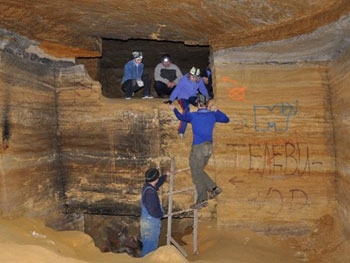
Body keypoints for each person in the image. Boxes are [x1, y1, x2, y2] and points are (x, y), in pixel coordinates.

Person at [168, 94, 230, 210]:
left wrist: (174, 109)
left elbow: (180, 117)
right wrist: (217, 111)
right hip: (208, 148)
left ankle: (202, 199)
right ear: (207, 105)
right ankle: (214, 188)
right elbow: (226, 119)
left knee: (196, 173)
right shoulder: (212, 115)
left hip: (198, 148)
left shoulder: (193, 116)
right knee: (199, 171)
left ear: (197, 104)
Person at [164, 66, 209, 138]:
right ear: (189, 75)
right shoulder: (184, 79)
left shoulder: (199, 80)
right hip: (183, 97)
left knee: (202, 105)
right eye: (192, 77)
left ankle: (201, 128)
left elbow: (203, 89)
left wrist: (207, 97)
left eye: (196, 77)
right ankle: (181, 131)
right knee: (186, 110)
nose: (194, 79)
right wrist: (171, 99)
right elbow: (177, 89)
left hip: (193, 96)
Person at [140, 167, 169, 257]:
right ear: (155, 178)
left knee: (149, 247)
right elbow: (153, 210)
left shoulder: (148, 187)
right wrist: (161, 214)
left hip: (147, 222)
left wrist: (165, 176)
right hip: (151, 223)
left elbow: (157, 183)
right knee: (149, 249)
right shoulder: (150, 193)